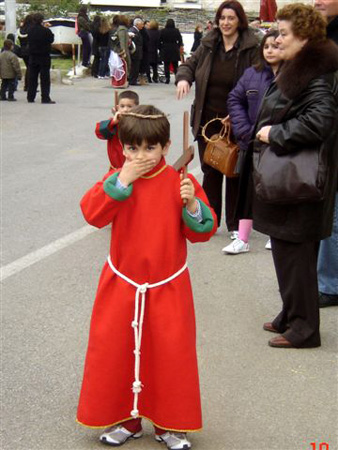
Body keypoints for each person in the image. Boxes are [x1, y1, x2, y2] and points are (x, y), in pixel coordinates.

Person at [77, 104, 217, 450]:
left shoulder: (180, 182)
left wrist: (192, 206)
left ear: (166, 147)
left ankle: (170, 425)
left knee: (170, 355)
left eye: (150, 148)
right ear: (122, 147)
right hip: (121, 282)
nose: (141, 156)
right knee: (117, 351)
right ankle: (127, 420)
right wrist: (123, 179)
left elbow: (203, 231)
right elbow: (92, 214)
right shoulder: (117, 178)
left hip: (168, 284)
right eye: (132, 148)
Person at [237, 3, 338, 348]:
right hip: (293, 178)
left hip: (300, 181)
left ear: (305, 38)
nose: (277, 39)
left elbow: (320, 121)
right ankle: (291, 313)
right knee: (287, 252)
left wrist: (272, 134)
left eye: (284, 34)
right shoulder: (302, 67)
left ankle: (304, 329)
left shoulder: (317, 76)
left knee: (296, 255)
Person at [176, 0, 259, 236]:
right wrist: (184, 78)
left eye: (231, 18)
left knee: (234, 171)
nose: (226, 23)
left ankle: (235, 226)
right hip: (208, 120)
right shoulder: (209, 44)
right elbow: (190, 64)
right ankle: (210, 220)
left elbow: (256, 83)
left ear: (239, 20)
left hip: (237, 120)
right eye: (222, 18)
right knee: (210, 170)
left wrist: (240, 112)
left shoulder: (251, 47)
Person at [223, 29, 282, 254]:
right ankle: (243, 237)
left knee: (274, 190)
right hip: (251, 142)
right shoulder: (252, 73)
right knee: (246, 192)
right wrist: (243, 129)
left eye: (275, 46)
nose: (270, 50)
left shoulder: (293, 75)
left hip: (278, 143)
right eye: (266, 46)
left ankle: (273, 234)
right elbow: (235, 99)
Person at [314, 0, 338, 307]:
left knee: (332, 216)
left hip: (331, 140)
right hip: (325, 142)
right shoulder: (321, 34)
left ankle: (330, 283)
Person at [95, 90, 139, 169]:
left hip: (134, 169)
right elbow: (99, 132)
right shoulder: (113, 123)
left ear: (137, 107)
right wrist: (113, 122)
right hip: (116, 168)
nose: (125, 109)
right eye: (122, 106)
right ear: (117, 107)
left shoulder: (141, 123)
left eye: (129, 106)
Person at [27, 13, 55, 104]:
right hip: (44, 56)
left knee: (32, 77)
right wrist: (47, 28)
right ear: (42, 20)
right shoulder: (46, 31)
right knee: (45, 78)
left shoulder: (30, 30)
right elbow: (51, 39)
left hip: (33, 56)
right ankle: (45, 97)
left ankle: (30, 97)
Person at [159, 19, 183, 84]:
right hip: (174, 48)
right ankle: (177, 78)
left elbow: (159, 40)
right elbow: (180, 40)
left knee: (166, 65)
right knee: (175, 65)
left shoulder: (163, 31)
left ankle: (167, 78)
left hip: (165, 48)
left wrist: (161, 47)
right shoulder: (176, 31)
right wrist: (178, 46)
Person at [18, 14, 34, 91]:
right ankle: (28, 86)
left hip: (22, 50)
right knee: (30, 68)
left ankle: (26, 85)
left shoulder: (21, 29)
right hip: (30, 50)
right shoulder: (31, 29)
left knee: (28, 67)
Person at [128, 18, 144, 85]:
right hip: (135, 52)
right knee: (134, 67)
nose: (142, 26)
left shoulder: (136, 31)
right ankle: (132, 80)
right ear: (137, 24)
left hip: (137, 52)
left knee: (136, 67)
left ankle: (133, 80)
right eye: (141, 24)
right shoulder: (133, 31)